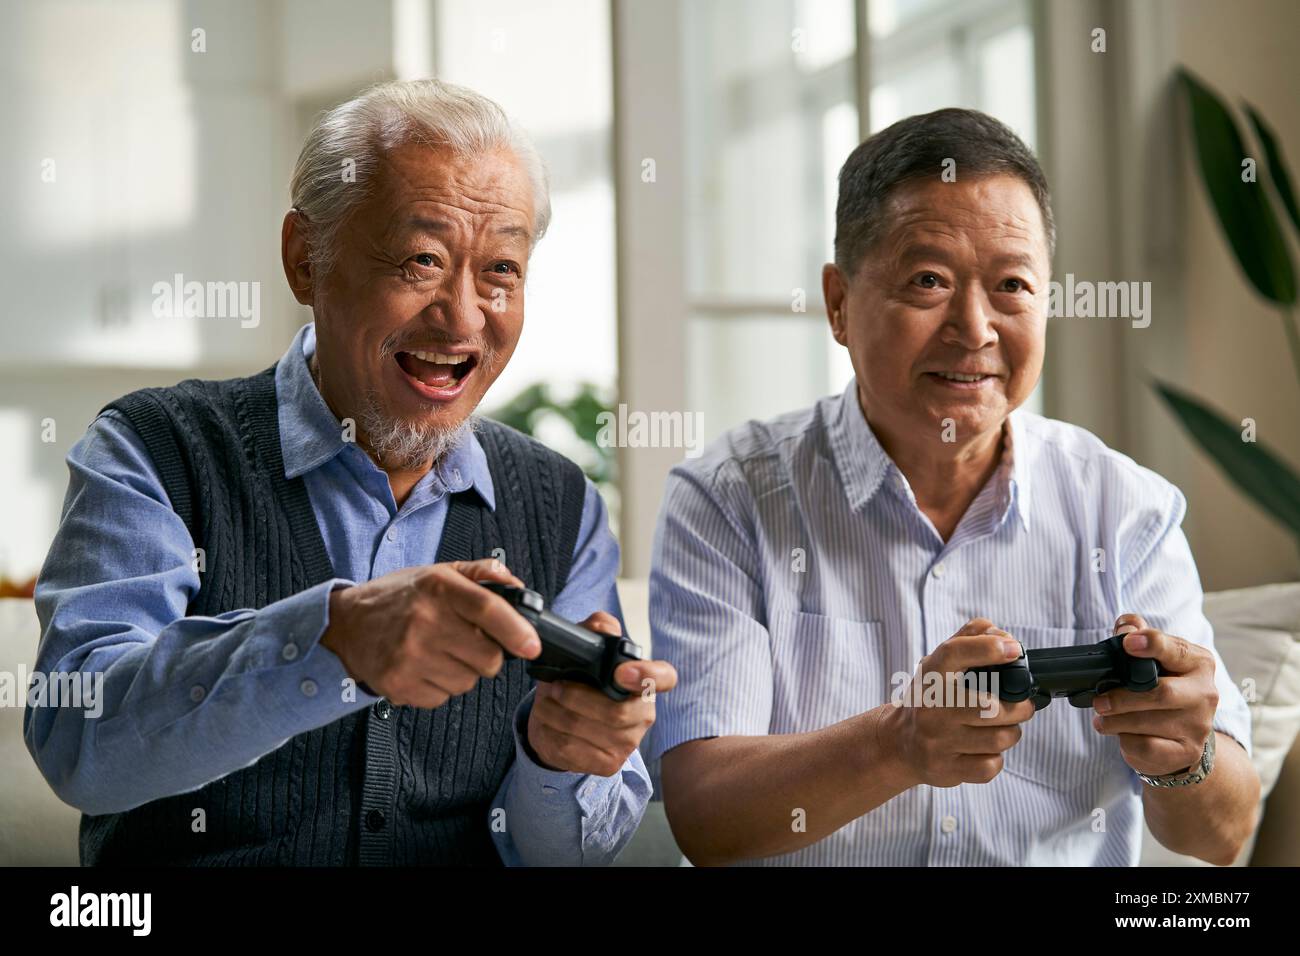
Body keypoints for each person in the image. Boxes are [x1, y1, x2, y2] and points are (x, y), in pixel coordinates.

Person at [27, 78, 675, 866]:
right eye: (420, 260)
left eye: (500, 271)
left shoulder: (558, 501)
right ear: (307, 260)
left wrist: (562, 762)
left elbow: (560, 857)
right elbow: (78, 739)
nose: (464, 317)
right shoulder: (156, 448)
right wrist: (332, 638)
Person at [646, 108, 1258, 866]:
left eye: (1012, 286)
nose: (975, 329)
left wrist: (1182, 757)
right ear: (838, 303)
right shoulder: (726, 500)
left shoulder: (1125, 508)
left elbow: (1222, 837)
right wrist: (898, 741)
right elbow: (706, 821)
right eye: (928, 281)